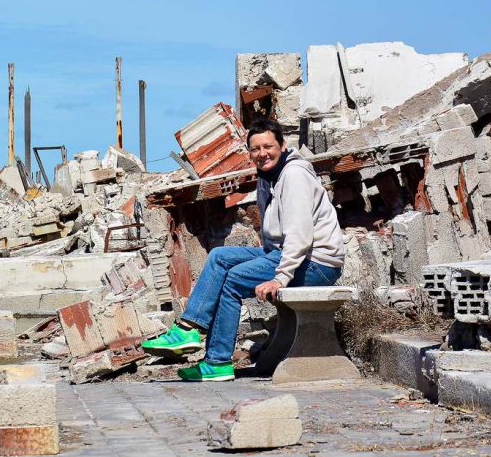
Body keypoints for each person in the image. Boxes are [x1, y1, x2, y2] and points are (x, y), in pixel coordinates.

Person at [141, 118, 345, 381]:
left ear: (282, 146)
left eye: (268, 147)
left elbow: (300, 236)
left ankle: (218, 362)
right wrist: (266, 263)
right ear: (249, 153)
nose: (262, 154)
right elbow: (275, 238)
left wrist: (278, 278)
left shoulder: (293, 175)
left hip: (318, 263)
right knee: (219, 257)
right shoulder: (268, 177)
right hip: (288, 255)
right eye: (256, 149)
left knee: (234, 279)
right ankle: (188, 329)